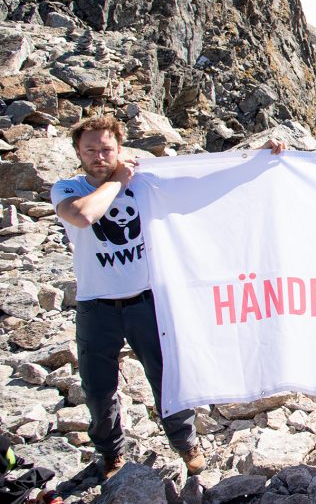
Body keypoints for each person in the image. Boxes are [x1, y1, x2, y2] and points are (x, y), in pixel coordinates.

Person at [51, 115, 285, 479]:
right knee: (98, 389)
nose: (99, 156)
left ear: (120, 148)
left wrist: (256, 157)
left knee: (168, 380)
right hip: (96, 306)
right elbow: (83, 216)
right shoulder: (68, 188)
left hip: (148, 301)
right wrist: (117, 180)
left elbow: (199, 180)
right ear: (78, 152)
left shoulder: (143, 181)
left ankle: (185, 443)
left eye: (107, 149)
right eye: (91, 150)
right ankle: (111, 453)